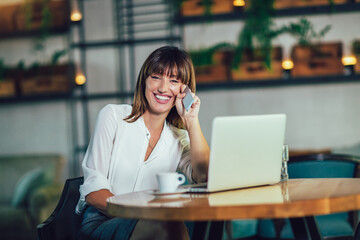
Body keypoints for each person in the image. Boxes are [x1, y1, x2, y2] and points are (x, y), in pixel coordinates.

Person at [76, 46, 210, 240]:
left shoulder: (180, 137)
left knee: (171, 224)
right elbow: (93, 191)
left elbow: (204, 176)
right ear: (144, 81)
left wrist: (191, 120)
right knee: (168, 225)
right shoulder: (113, 116)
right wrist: (142, 216)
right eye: (156, 77)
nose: (163, 88)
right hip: (101, 221)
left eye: (173, 81)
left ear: (185, 90)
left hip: (154, 221)